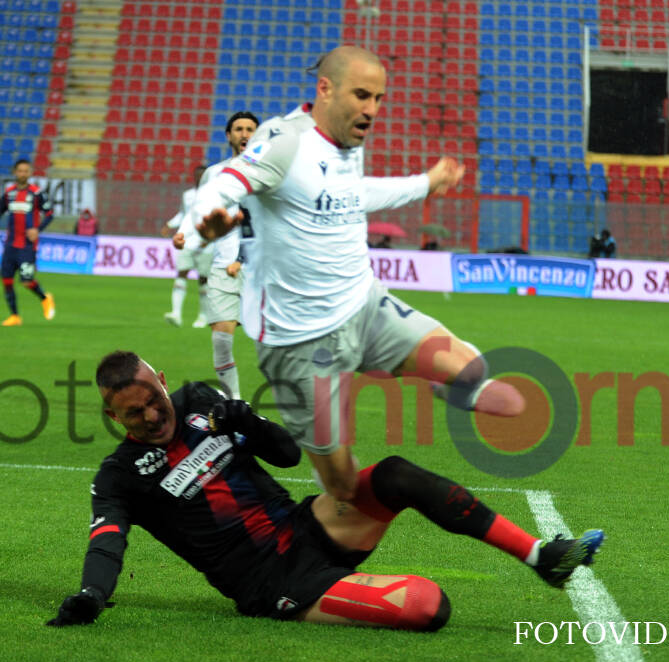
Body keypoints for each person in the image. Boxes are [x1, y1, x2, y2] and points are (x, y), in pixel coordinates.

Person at [174, 45, 525, 503]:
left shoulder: (345, 143)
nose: (372, 109)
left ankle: (435, 382)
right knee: (342, 485)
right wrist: (210, 217)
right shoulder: (283, 139)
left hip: (364, 305)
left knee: (471, 370)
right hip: (297, 341)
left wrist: (426, 182)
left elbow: (354, 194)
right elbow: (223, 181)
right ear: (325, 89)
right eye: (362, 95)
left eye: (379, 98)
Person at [45, 351, 604, 629]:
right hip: (270, 582)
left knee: (395, 475)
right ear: (113, 415)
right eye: (133, 413)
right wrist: (93, 596)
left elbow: (287, 454)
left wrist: (247, 422)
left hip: (307, 525)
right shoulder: (119, 475)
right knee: (430, 606)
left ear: (162, 382)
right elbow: (108, 539)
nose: (149, 415)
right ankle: (339, 591)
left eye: (153, 401)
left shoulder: (199, 399)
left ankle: (540, 556)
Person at [201, 111, 260, 399]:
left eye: (250, 129)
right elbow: (200, 216)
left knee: (275, 345)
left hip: (261, 270)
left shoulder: (269, 175)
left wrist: (244, 257)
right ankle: (235, 404)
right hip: (223, 268)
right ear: (229, 135)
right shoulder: (214, 174)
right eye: (239, 128)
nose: (245, 133)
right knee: (221, 341)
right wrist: (187, 236)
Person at [0, 158, 55, 326]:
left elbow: (50, 213)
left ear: (30, 173)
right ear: (15, 172)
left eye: (26, 171)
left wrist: (37, 230)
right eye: (20, 171)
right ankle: (15, 316)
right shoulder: (9, 193)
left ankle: (45, 298)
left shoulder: (36, 193)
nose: (23, 173)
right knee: (7, 280)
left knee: (26, 281)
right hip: (10, 245)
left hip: (27, 245)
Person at [161, 164, 212, 328]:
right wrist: (170, 224)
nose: (200, 178)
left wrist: (211, 237)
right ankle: (176, 313)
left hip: (207, 243)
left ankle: (203, 316)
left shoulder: (216, 195)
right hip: (188, 241)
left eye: (203, 175)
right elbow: (184, 215)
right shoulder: (188, 195)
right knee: (181, 273)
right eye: (198, 175)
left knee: (203, 279)